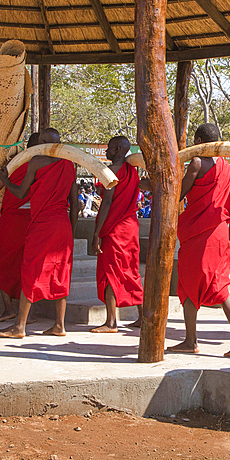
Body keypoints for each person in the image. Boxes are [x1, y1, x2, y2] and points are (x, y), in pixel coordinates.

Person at [168, 123, 230, 357]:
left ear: (200, 140)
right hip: (220, 231)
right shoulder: (225, 166)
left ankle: (195, 340)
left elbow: (178, 193)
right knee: (219, 283)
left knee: (189, 281)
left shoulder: (196, 163)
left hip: (200, 233)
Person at [0, 128, 78, 339]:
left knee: (31, 269)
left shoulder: (36, 162)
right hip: (63, 224)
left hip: (44, 222)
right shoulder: (69, 164)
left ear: (41, 143)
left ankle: (19, 326)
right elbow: (75, 204)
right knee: (61, 271)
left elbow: (21, 192)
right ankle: (59, 325)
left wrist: (5, 180)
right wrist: (73, 230)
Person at [0, 133, 41, 322]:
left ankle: (8, 308)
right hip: (36, 220)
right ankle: (28, 313)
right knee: (28, 266)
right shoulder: (51, 165)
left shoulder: (16, 162)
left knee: (0, 260)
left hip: (13, 221)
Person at [90, 136, 144, 333]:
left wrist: (97, 233)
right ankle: (142, 316)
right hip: (130, 227)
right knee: (130, 269)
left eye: (110, 148)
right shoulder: (132, 171)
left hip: (115, 228)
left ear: (119, 149)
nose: (106, 151)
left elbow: (106, 203)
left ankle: (111, 322)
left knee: (111, 271)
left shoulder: (112, 171)